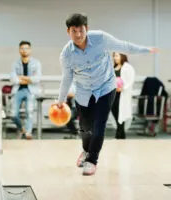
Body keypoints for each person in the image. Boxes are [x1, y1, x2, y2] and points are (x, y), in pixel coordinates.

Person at [56, 13, 158, 176]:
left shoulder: (101, 38)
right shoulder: (66, 54)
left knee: (99, 125)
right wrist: (60, 100)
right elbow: (67, 77)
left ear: (87, 29)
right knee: (85, 127)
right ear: (68, 32)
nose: (78, 35)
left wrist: (145, 50)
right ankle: (85, 150)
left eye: (81, 30)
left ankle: (92, 160)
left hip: (106, 87)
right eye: (74, 31)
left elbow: (124, 46)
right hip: (83, 91)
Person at [10, 41, 42, 140]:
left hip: (31, 91)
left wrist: (22, 78)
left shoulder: (36, 63)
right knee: (13, 114)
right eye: (22, 48)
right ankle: (22, 128)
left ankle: (28, 132)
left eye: (26, 48)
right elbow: (13, 79)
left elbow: (37, 79)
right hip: (18, 90)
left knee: (30, 111)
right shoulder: (15, 63)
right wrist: (29, 79)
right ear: (19, 50)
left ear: (30, 50)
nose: (24, 50)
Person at [111, 53, 135, 139]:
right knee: (115, 113)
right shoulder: (113, 67)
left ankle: (120, 135)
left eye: (117, 56)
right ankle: (120, 133)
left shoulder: (127, 67)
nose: (115, 58)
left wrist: (123, 88)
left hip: (122, 95)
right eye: (114, 56)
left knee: (121, 114)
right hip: (113, 95)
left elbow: (130, 80)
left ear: (122, 56)